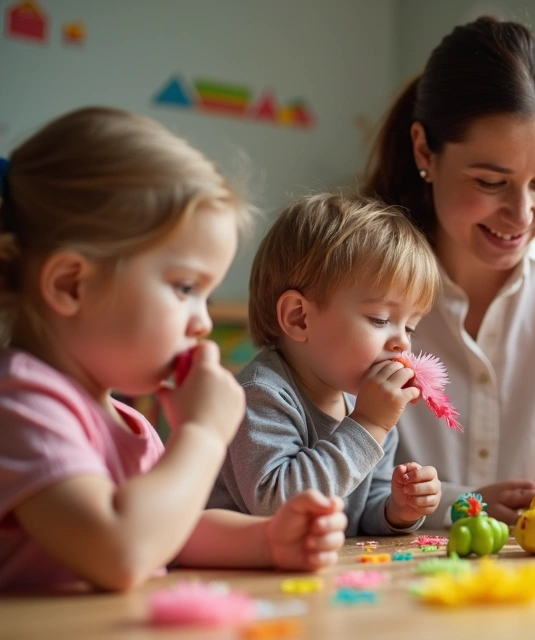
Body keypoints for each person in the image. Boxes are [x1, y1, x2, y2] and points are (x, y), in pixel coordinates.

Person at [0, 108, 346, 591]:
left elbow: (172, 529)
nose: (202, 320)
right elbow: (121, 549)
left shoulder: (129, 422)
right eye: (186, 287)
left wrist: (268, 540)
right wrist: (203, 433)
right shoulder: (20, 403)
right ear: (71, 284)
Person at [363, 17, 535, 522]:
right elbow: (324, 464)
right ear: (424, 150)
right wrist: (461, 505)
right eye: (491, 182)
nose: (521, 215)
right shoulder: (356, 266)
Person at [208, 193, 442, 535]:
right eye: (379, 319)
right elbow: (276, 507)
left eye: (410, 327)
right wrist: (366, 425)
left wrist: (397, 509)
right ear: (299, 318)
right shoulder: (261, 395)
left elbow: (359, 510)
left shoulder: (367, 407)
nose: (402, 342)